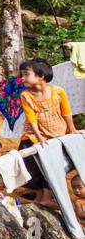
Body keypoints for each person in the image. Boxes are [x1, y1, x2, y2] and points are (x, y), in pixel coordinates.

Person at [17, 57, 81, 213]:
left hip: (57, 135)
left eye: (26, 74)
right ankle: (41, 197)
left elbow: (66, 112)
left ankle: (46, 197)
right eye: (22, 75)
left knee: (56, 167)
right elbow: (31, 118)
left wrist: (72, 129)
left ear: (41, 76)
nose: (22, 78)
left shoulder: (58, 91)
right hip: (33, 138)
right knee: (33, 169)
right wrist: (39, 138)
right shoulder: (26, 95)